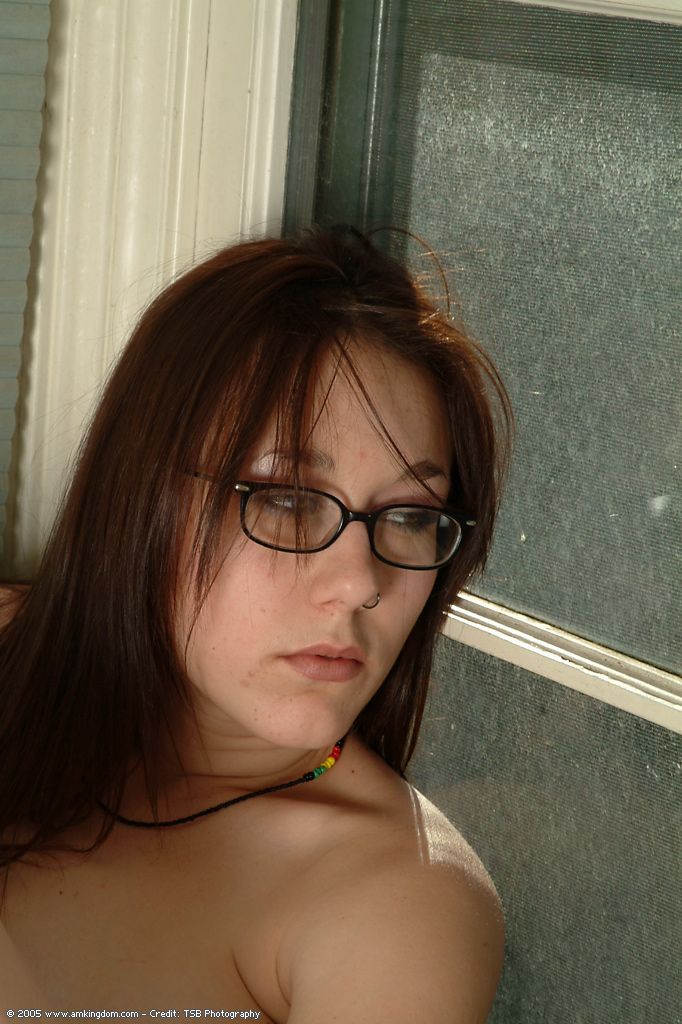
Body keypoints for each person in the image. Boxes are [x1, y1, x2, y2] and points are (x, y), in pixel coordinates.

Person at [0, 225, 511, 1021]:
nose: (360, 584)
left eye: (411, 515)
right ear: (142, 495)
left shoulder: (396, 909)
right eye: (287, 499)